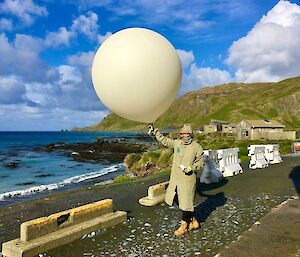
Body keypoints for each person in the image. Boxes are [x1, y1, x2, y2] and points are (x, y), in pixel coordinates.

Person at [148, 123, 204, 236]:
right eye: (183, 133)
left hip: (188, 179)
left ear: (191, 134)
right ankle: (193, 221)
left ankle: (184, 226)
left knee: (186, 203)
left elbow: (201, 161)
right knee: (175, 198)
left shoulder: (196, 147)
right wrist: (155, 131)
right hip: (176, 178)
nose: (185, 135)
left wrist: (192, 168)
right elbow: (164, 140)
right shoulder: (177, 143)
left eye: (187, 133)